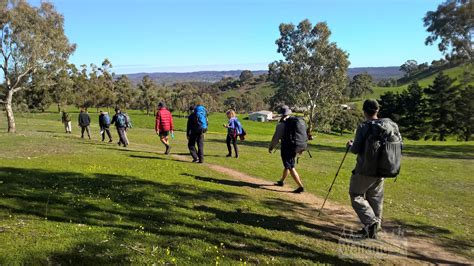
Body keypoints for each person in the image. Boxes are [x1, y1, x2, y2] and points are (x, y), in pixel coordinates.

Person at [346, 99, 386, 239]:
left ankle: (371, 223)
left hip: (365, 169)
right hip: (383, 169)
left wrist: (350, 145)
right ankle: (374, 228)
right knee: (375, 198)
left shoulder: (364, 126)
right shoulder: (386, 125)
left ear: (364, 111)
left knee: (356, 194)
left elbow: (355, 149)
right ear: (377, 110)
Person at [269, 105, 304, 193]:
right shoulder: (295, 121)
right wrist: (301, 148)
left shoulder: (282, 124)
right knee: (287, 165)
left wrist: (271, 147)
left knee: (291, 166)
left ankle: (300, 186)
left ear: (281, 114)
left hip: (287, 147)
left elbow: (276, 138)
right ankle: (281, 181)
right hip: (295, 147)